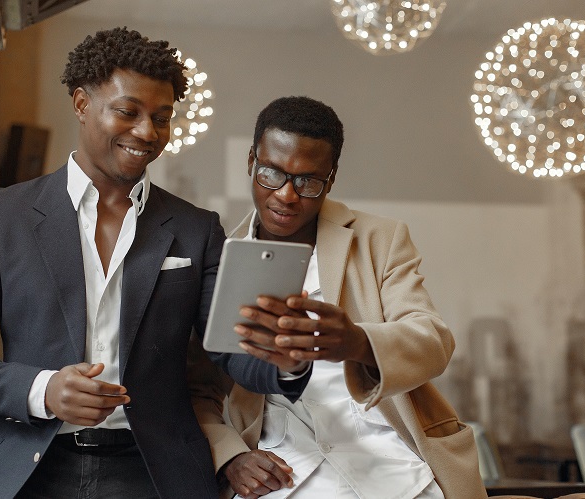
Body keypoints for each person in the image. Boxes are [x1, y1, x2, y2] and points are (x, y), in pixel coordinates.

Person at [0, 28, 309, 499]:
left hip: (153, 471)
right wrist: (42, 390)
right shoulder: (1, 216)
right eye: (128, 112)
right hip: (24, 469)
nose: (147, 133)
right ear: (82, 104)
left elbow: (228, 352)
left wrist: (286, 362)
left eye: (161, 118)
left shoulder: (196, 228)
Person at [190, 96, 486, 498]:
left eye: (308, 181)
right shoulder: (222, 259)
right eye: (271, 173)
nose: (287, 195)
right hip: (285, 475)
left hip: (396, 470)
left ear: (330, 179)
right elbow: (200, 388)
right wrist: (230, 456)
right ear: (251, 162)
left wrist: (359, 342)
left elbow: (434, 340)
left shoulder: (380, 239)